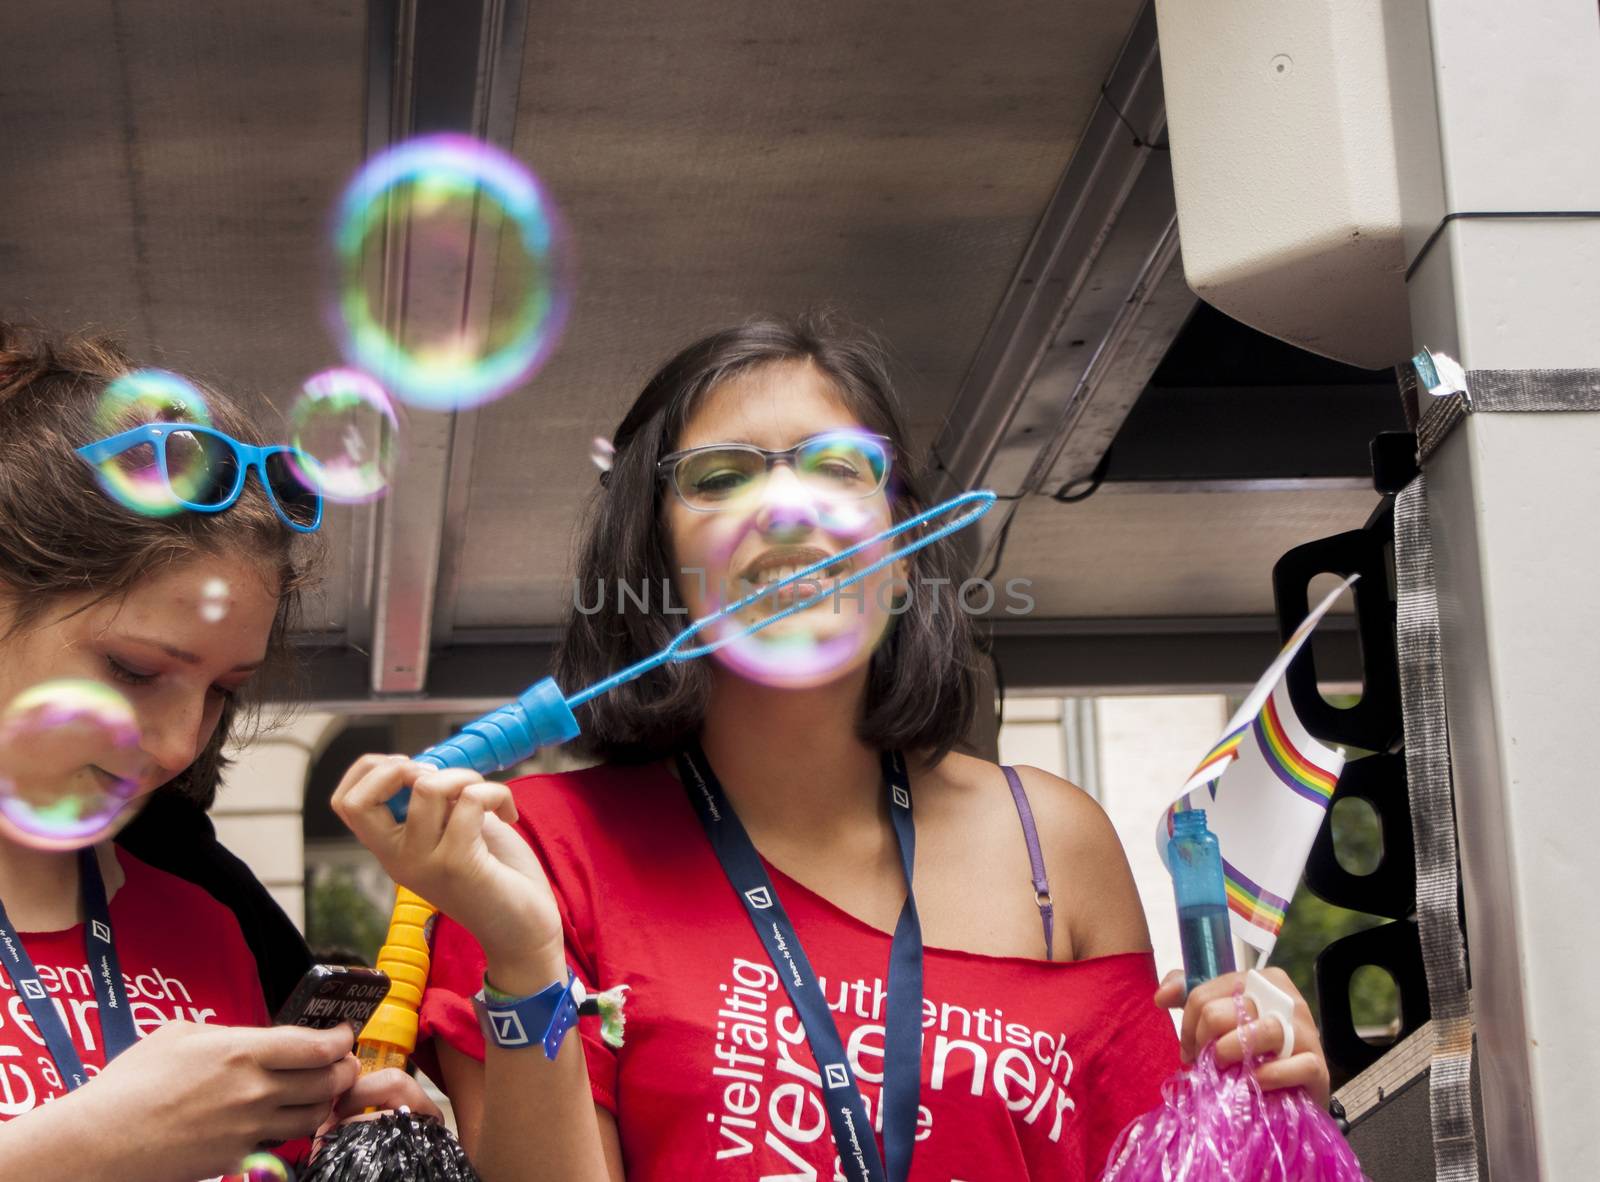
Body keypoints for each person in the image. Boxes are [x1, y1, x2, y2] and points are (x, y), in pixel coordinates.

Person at [334, 314, 1332, 1181]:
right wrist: (524, 959)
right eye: (720, 476)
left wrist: (1264, 1092)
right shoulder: (535, 854)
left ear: (901, 565)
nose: (784, 506)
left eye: (837, 466)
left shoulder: (1052, 842)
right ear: (656, 570)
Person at [0, 323, 433, 1181]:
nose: (177, 744)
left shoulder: (210, 929)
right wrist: (73, 1152)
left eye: (223, 691)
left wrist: (330, 1142)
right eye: (134, 669)